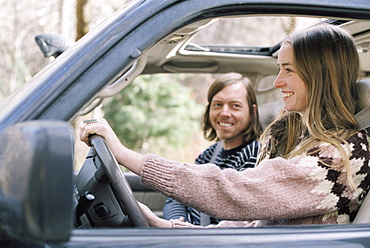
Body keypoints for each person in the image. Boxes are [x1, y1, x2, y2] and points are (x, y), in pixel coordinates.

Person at [80, 24, 370, 228]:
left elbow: (238, 191)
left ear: (319, 74)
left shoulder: (344, 157)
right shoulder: (288, 138)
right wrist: (165, 227)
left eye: (288, 70)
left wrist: (127, 155)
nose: (278, 81)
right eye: (279, 69)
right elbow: (252, 225)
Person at [163, 72, 263, 225]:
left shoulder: (254, 153)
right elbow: (177, 195)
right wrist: (177, 221)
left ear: (252, 112)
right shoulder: (209, 154)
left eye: (235, 106)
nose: (224, 113)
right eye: (217, 105)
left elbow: (236, 211)